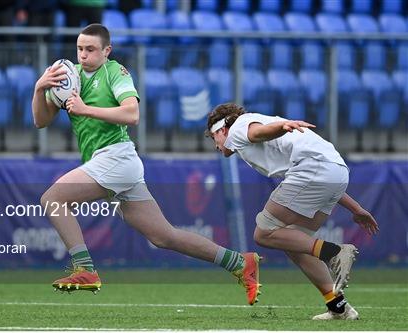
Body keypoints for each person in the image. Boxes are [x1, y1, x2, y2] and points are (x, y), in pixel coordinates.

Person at [32, 24, 262, 305]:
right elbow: (41, 121)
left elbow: (132, 114)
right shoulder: (70, 78)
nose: (83, 55)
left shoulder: (114, 72)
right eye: (80, 49)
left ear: (107, 51)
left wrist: (85, 109)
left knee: (53, 198)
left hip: (115, 157)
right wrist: (38, 88)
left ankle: (85, 270)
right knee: (164, 236)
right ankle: (239, 262)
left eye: (90, 49)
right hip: (112, 163)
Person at [205, 103, 380, 319]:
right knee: (291, 241)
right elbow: (323, 177)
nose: (216, 146)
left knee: (264, 232)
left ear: (222, 129)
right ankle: (338, 306)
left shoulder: (238, 128)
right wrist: (357, 208)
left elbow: (257, 132)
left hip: (313, 167)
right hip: (335, 171)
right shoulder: (256, 138)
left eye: (214, 138)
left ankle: (335, 253)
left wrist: (282, 126)